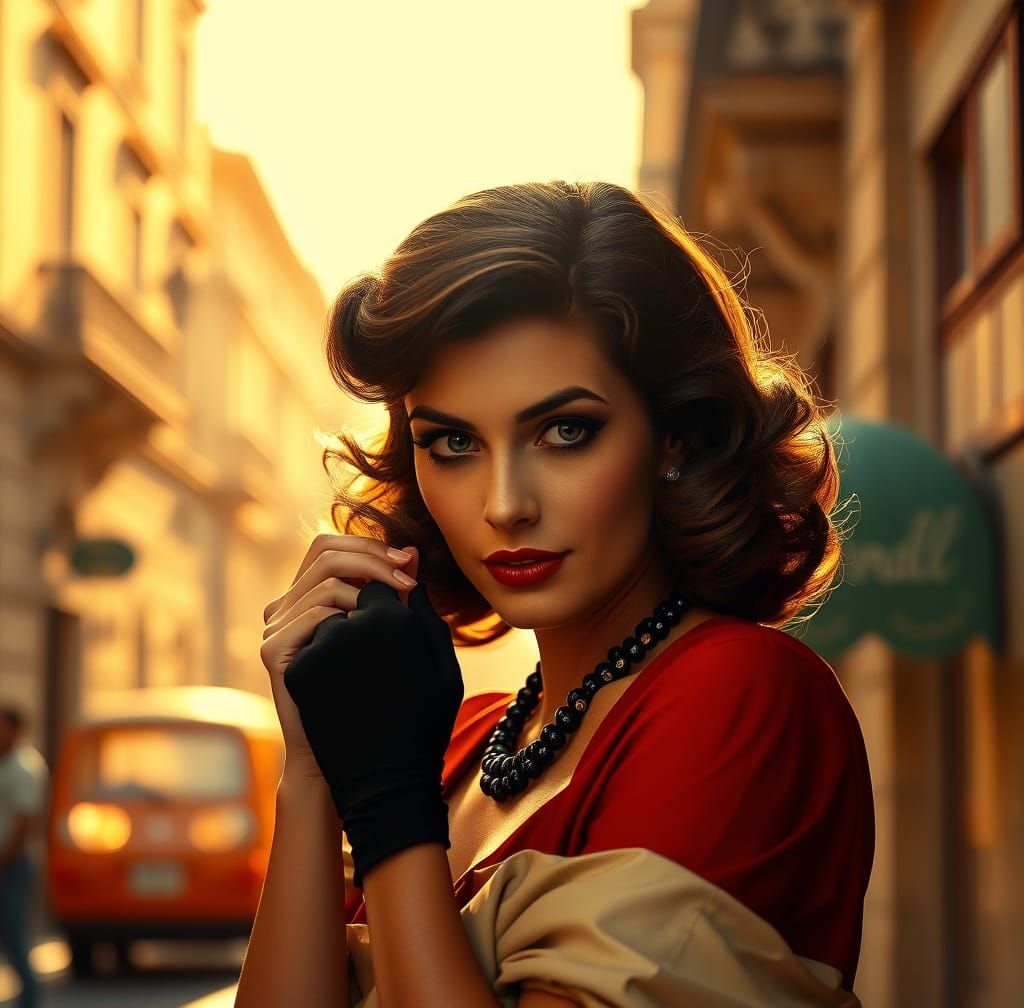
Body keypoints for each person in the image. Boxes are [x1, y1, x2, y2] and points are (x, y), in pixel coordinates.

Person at [235, 180, 874, 1008]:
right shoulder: (458, 742)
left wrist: (392, 812)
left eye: (565, 431)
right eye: (453, 441)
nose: (505, 503)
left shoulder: (744, 695)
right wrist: (316, 771)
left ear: (675, 436)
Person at [0, 703, 49, 1008]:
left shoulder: (25, 767)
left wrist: (4, 860)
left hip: (12, 864)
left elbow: (25, 822)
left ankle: (30, 999)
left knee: (14, 933)